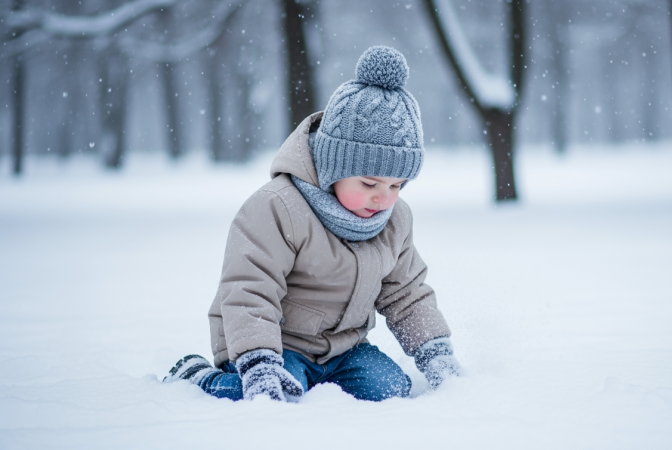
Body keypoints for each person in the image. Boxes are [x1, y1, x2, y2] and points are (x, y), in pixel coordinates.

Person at [163, 46, 461, 402]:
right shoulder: (279, 208)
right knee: (277, 395)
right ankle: (199, 378)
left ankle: (314, 380)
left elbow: (406, 292)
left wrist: (434, 350)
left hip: (344, 350)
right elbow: (249, 289)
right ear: (333, 168)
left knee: (392, 390)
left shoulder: (395, 220)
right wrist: (259, 361)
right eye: (369, 183)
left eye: (397, 186)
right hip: (274, 346)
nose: (383, 198)